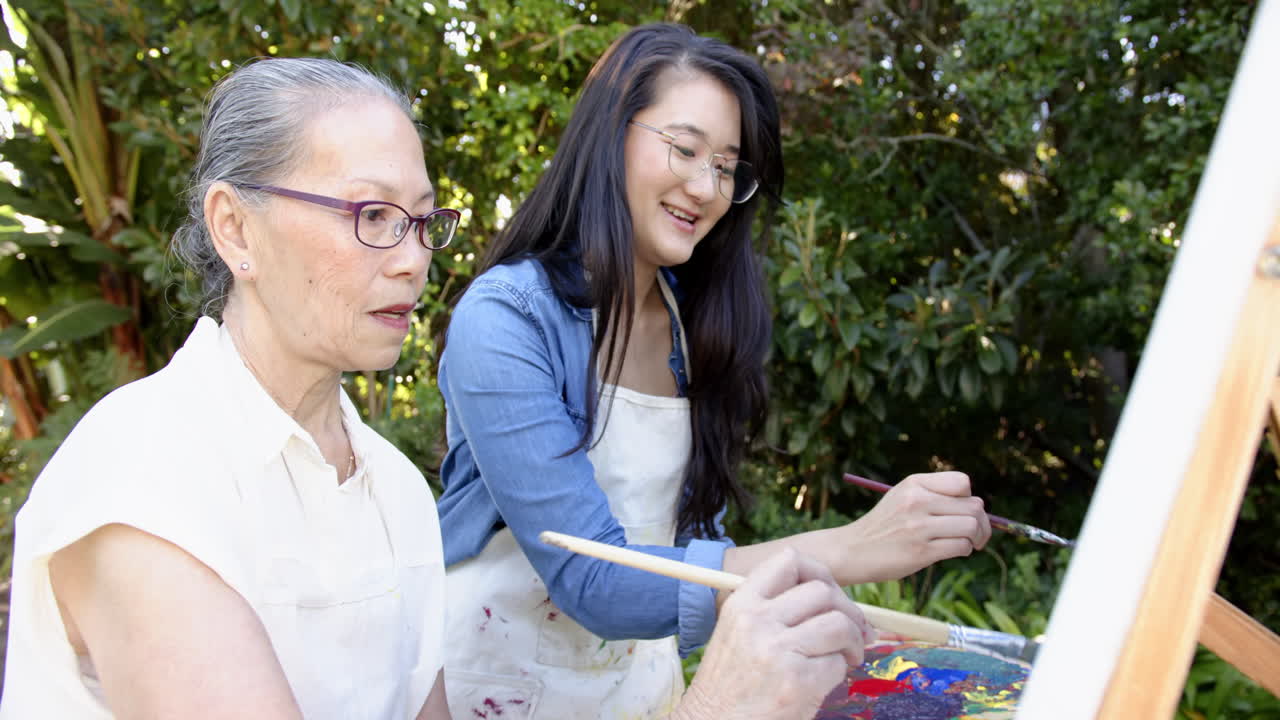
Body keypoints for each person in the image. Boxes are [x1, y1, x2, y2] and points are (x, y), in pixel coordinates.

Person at [0, 56, 872, 720]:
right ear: (236, 228)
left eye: (423, 221)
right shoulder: (144, 477)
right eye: (372, 216)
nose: (416, 256)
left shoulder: (394, 491)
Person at [435, 22, 994, 719]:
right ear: (610, 134)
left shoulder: (693, 322)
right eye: (685, 148)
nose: (706, 186)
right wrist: (852, 548)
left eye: (727, 167)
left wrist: (813, 609)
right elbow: (593, 578)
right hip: (497, 689)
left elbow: (698, 554)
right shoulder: (506, 319)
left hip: (642, 693)